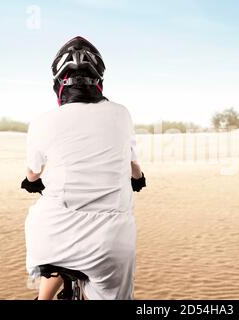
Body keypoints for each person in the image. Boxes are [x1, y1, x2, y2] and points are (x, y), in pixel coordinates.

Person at [22, 36, 146, 300]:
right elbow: (134, 165)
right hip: (110, 242)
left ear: (58, 83)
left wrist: (31, 181)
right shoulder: (121, 114)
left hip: (51, 233)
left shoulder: (43, 121)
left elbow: (33, 172)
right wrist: (138, 178)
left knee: (53, 241)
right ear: (99, 81)